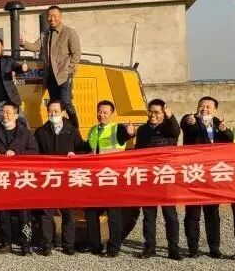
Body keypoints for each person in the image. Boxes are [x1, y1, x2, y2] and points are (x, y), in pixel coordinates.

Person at [33, 99, 89, 256]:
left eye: (56, 111)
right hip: (48, 178)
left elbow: (81, 149)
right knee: (46, 213)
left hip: (66, 178)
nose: (52, 114)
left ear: (63, 112)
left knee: (68, 213)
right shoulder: (41, 132)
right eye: (50, 111)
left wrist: (75, 155)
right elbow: (35, 153)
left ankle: (68, 244)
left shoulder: (71, 131)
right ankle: (47, 244)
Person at [180, 96, 233, 258]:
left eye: (208, 107)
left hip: (211, 176)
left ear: (215, 110)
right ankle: (193, 248)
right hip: (194, 173)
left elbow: (229, 139)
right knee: (192, 213)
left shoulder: (217, 122)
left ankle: (214, 248)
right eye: (201, 106)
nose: (204, 109)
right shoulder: (190, 119)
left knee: (212, 214)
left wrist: (224, 130)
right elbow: (189, 128)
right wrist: (191, 121)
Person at [83, 100, 134, 257]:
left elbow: (127, 134)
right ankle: (95, 246)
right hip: (94, 177)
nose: (102, 115)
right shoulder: (93, 130)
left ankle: (113, 248)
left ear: (112, 114)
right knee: (91, 212)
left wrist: (131, 132)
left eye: (105, 112)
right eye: (99, 111)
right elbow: (87, 149)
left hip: (112, 177)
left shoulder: (117, 128)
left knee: (113, 215)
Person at [0, 102, 38, 256]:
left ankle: (25, 244)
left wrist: (17, 153)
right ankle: (6, 242)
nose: (5, 115)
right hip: (3, 178)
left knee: (24, 212)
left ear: (16, 115)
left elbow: (35, 152)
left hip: (21, 178)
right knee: (4, 212)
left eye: (8, 112)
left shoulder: (25, 132)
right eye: (3, 112)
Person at [135, 99, 182, 261]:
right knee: (149, 216)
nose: (152, 115)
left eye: (157, 112)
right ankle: (149, 247)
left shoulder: (168, 128)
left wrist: (170, 116)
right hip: (148, 177)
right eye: (150, 111)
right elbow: (137, 151)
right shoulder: (142, 130)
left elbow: (175, 130)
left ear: (163, 113)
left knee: (170, 215)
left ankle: (173, 249)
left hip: (166, 177)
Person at [21, 5, 82, 128]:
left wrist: (70, 70)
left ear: (60, 16)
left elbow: (76, 53)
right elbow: (36, 46)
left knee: (66, 102)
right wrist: (24, 43)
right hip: (50, 76)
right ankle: (58, 128)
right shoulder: (45, 34)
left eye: (54, 16)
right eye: (49, 16)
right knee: (54, 104)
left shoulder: (69, 32)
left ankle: (75, 129)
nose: (52, 18)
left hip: (64, 75)